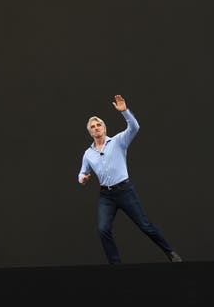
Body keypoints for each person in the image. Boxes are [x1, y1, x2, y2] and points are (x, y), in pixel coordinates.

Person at [78, 95, 182, 264]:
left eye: (99, 125)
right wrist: (82, 178)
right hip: (106, 196)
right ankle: (115, 264)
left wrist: (124, 111)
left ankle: (170, 252)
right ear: (90, 132)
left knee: (145, 225)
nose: (96, 128)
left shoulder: (118, 141)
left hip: (125, 191)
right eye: (93, 127)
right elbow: (82, 173)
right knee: (103, 229)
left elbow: (134, 127)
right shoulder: (88, 154)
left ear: (104, 128)